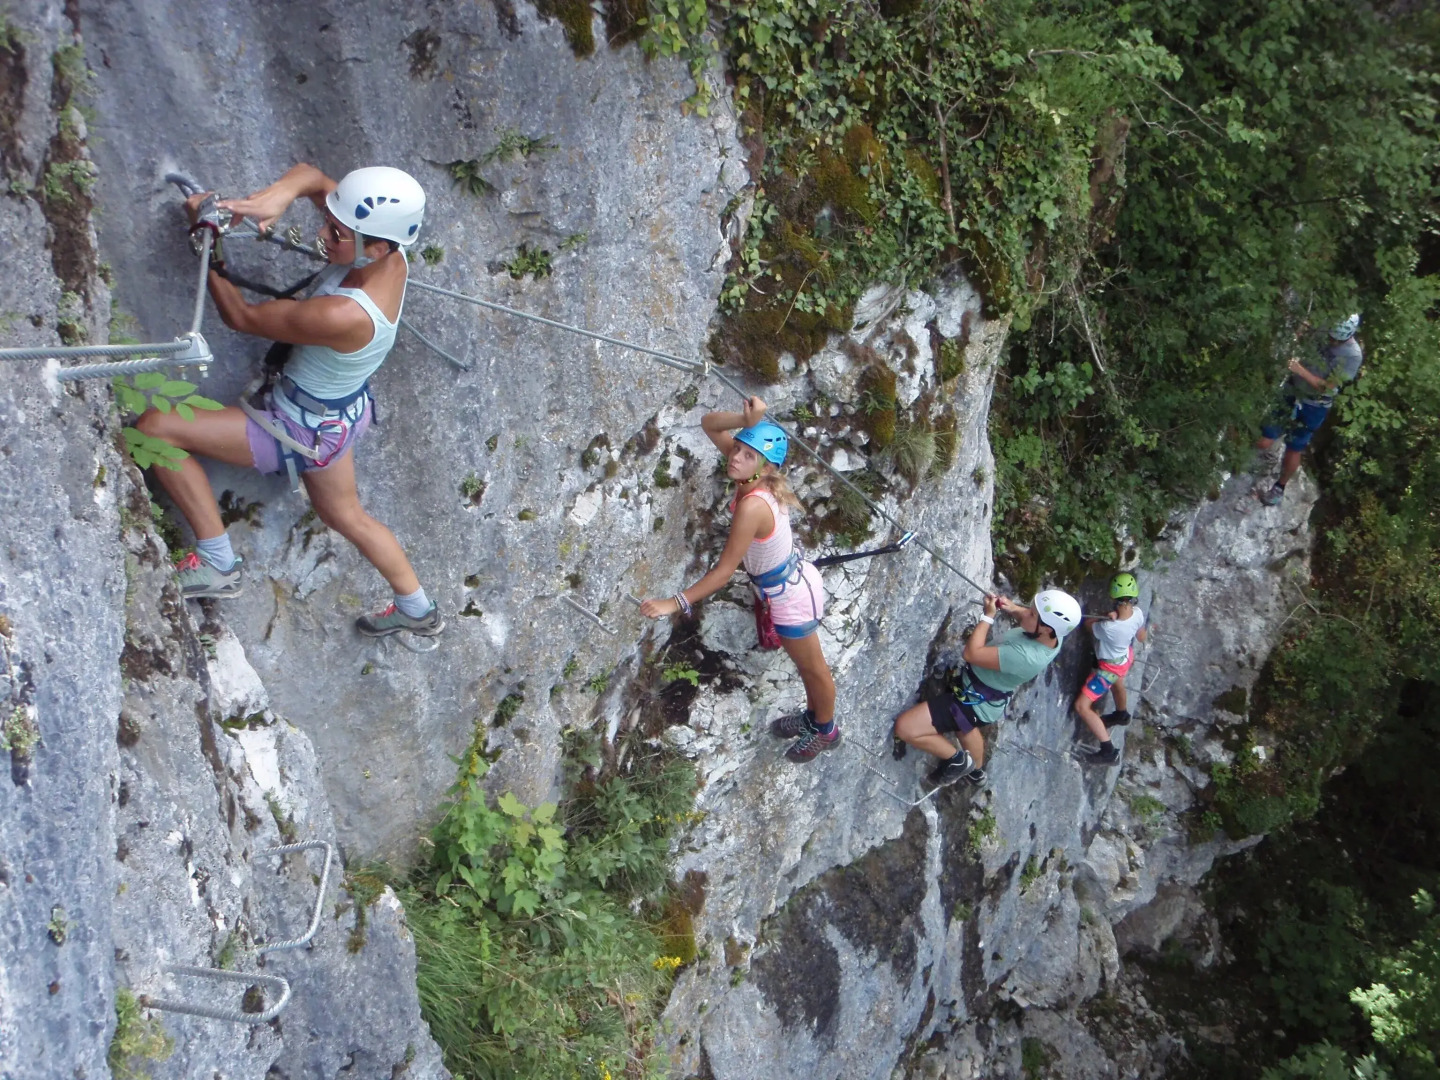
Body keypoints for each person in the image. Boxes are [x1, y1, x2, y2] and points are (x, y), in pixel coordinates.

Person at [135, 163, 443, 639]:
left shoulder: (343, 315)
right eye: (330, 224)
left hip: (293, 429)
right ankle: (418, 609)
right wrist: (271, 199)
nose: (324, 234)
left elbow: (240, 316)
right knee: (346, 516)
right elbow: (315, 179)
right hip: (337, 421)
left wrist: (206, 242)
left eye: (336, 234)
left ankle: (217, 563)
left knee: (155, 427)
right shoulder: (389, 253)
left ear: (375, 246)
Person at [639, 397, 839, 763]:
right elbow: (709, 424)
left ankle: (825, 729)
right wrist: (744, 419)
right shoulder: (753, 475)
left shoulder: (753, 505)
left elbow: (723, 571)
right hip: (785, 583)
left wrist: (675, 602)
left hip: (790, 596)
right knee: (808, 666)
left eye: (747, 455)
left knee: (812, 668)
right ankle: (815, 718)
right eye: (738, 449)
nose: (735, 457)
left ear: (764, 468)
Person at [892, 589, 1082, 787]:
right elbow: (1031, 618)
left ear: (1045, 628)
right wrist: (1012, 608)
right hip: (986, 701)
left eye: (1032, 614)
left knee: (905, 728)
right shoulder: (1054, 637)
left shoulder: (1025, 656)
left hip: (970, 702)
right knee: (964, 726)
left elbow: (972, 654)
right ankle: (976, 773)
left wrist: (988, 616)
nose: (1025, 612)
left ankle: (957, 761)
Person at [1254, 313, 1363, 506]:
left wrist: (1300, 370)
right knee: (1265, 439)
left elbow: (1329, 386)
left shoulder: (1353, 355)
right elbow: (1304, 332)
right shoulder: (1324, 325)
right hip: (1292, 390)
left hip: (1315, 405)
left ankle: (1279, 487)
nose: (1331, 341)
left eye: (1336, 340)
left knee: (1295, 447)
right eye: (1330, 337)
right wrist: (1299, 332)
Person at [1072, 573, 1148, 766]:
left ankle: (1108, 750)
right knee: (1119, 680)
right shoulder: (1138, 613)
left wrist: (1108, 617)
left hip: (1109, 668)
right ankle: (1121, 714)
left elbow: (1088, 626)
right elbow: (1141, 636)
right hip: (1124, 658)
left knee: (1082, 706)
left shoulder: (1109, 628)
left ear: (1113, 596)